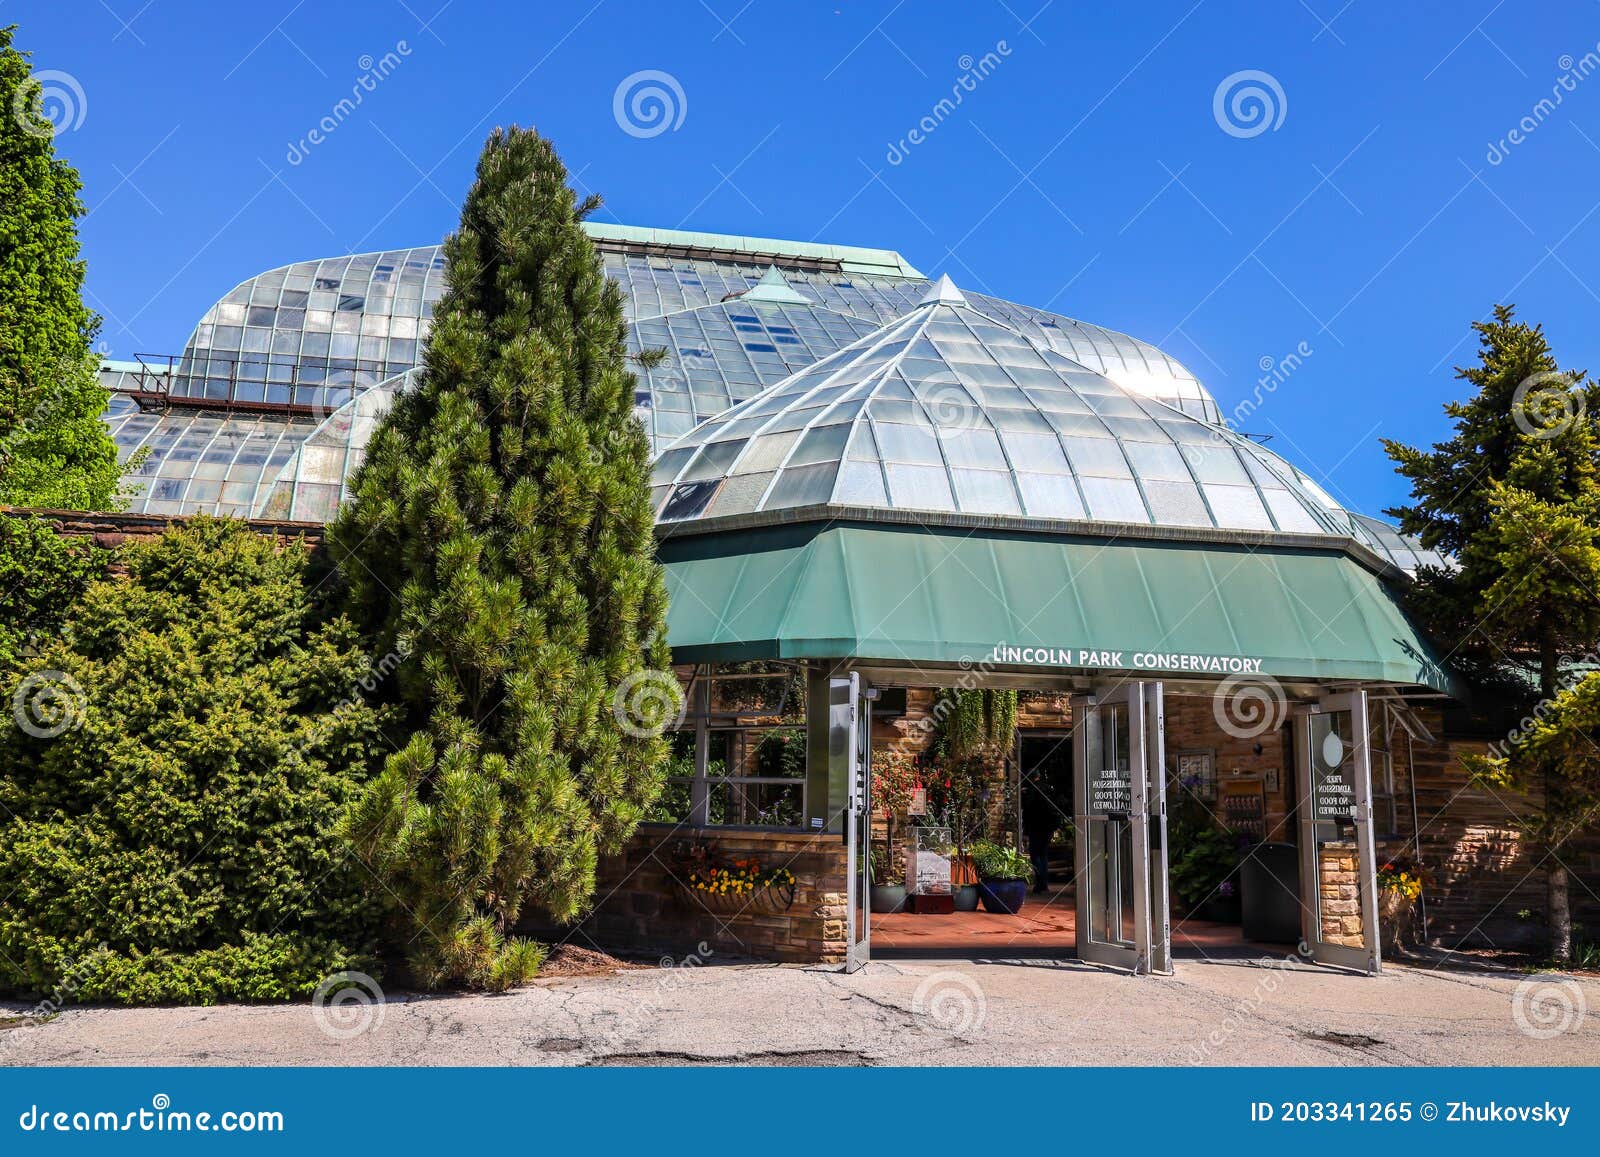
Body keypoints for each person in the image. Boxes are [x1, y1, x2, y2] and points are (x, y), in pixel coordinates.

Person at [1021, 770, 1059, 894]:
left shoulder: (1031, 791)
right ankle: (1044, 884)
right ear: (1039, 776)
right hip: (1048, 827)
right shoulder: (1048, 788)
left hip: (1036, 827)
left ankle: (1041, 882)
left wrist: (1025, 830)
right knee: (1043, 855)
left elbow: (1028, 811)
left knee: (1035, 855)